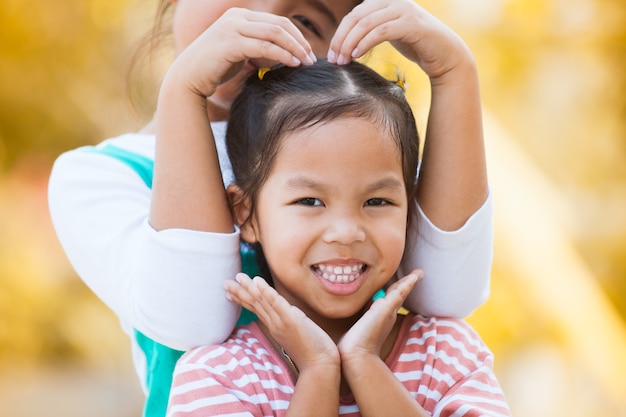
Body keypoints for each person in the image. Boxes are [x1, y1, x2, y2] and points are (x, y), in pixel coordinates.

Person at [47, 1, 492, 416]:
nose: (262, 23)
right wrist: (183, 89)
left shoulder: (361, 163)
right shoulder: (101, 175)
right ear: (245, 211)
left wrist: (455, 73)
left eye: (307, 20)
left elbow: (445, 291)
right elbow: (191, 317)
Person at [167, 60, 509, 417]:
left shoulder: (448, 355)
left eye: (377, 201)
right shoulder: (219, 376)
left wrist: (365, 365)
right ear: (246, 214)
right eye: (310, 201)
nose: (347, 232)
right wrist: (318, 370)